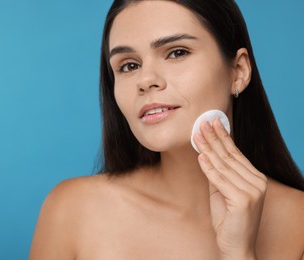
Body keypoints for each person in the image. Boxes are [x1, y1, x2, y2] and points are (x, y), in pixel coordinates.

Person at [30, 0, 304, 259]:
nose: (145, 80)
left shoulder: (299, 225)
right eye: (129, 65)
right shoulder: (72, 210)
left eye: (177, 52)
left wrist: (239, 253)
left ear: (239, 70)